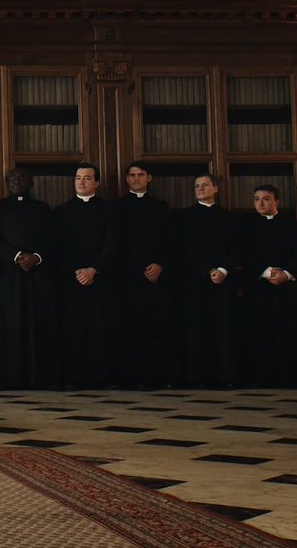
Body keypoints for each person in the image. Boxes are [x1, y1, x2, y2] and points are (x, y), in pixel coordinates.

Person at [0, 167, 58, 389]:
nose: (17, 182)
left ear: (31, 183)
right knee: (9, 325)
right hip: (8, 276)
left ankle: (39, 378)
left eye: (22, 178)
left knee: (39, 326)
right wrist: (16, 256)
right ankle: (9, 377)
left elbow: (53, 239)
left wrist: (36, 257)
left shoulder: (42, 209)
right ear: (7, 182)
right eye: (13, 178)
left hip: (38, 276)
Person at [53, 163, 118, 389]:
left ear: (96, 183)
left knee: (101, 328)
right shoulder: (61, 211)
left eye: (87, 178)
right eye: (78, 178)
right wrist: (77, 270)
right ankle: (73, 377)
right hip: (72, 280)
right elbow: (58, 246)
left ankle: (103, 377)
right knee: (73, 329)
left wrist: (94, 269)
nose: (81, 182)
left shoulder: (109, 210)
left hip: (101, 279)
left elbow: (113, 242)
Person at [114, 162, 177, 389]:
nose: (136, 179)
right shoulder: (117, 208)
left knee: (155, 328)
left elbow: (170, 241)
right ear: (127, 179)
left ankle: (157, 377)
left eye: (140, 175)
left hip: (156, 277)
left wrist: (160, 265)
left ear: (149, 178)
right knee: (128, 329)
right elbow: (115, 243)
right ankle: (128, 378)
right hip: (126, 278)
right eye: (132, 175)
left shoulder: (161, 207)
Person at [237, 184, 297, 387]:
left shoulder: (292, 224)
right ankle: (262, 378)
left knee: (288, 332)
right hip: (259, 288)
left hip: (286, 287)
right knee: (260, 332)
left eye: (266, 199)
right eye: (256, 199)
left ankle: (291, 378)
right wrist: (267, 272)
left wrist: (285, 274)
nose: (260, 203)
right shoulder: (248, 226)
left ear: (277, 202)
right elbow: (246, 255)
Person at [174, 174, 236, 388]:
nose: (200, 189)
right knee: (195, 330)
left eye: (205, 185)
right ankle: (195, 378)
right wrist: (207, 270)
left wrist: (223, 269)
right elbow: (183, 249)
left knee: (222, 330)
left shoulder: (228, 217)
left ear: (215, 188)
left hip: (222, 281)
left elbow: (235, 247)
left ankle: (223, 377)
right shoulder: (184, 217)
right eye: (197, 186)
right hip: (194, 282)